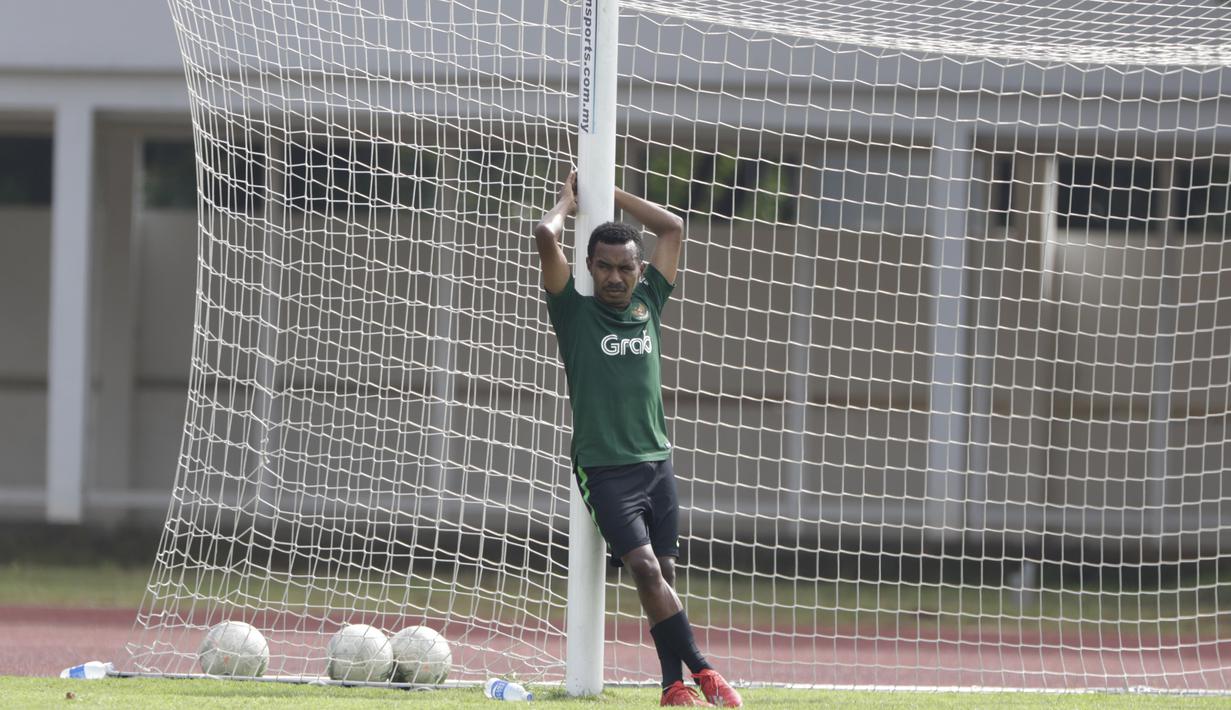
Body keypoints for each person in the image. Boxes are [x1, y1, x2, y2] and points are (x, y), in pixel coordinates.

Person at [534, 170, 743, 708]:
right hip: (603, 468)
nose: (614, 277)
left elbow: (672, 227)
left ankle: (671, 686)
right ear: (589, 267)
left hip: (657, 463)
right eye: (603, 266)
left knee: (664, 575)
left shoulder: (650, 302)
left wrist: (611, 190)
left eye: (625, 267)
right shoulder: (574, 313)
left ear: (639, 270)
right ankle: (704, 671)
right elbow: (543, 235)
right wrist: (568, 202)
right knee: (646, 569)